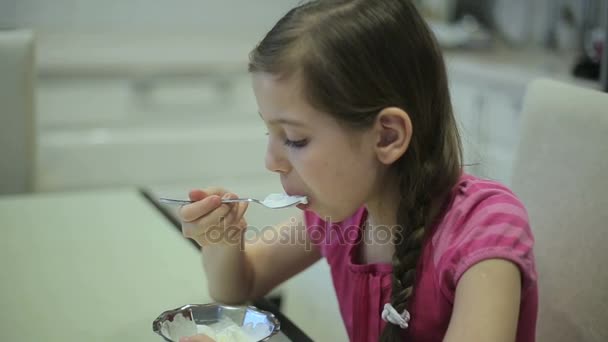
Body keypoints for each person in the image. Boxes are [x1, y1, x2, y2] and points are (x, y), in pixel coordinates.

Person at [178, 1, 538, 341]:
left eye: (295, 138)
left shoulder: (485, 231)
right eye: (269, 132)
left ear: (387, 136)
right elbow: (242, 284)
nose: (271, 161)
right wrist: (221, 242)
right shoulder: (343, 217)